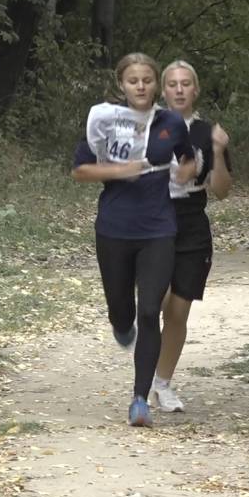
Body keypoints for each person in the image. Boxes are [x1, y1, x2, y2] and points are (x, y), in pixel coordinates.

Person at [71, 52, 197, 428]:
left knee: (149, 312)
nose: (140, 86)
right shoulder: (107, 120)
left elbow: (187, 160)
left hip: (159, 229)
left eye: (146, 80)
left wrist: (185, 172)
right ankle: (119, 323)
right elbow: (79, 170)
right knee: (123, 313)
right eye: (133, 81)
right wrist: (119, 170)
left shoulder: (171, 122)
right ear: (122, 86)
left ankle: (140, 399)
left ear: (156, 84)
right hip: (114, 228)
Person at [149, 60, 232, 412]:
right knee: (157, 301)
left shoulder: (208, 133)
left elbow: (222, 191)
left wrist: (216, 151)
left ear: (195, 90)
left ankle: (162, 384)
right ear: (162, 90)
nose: (179, 89)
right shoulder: (146, 127)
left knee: (178, 312)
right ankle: (146, 376)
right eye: (172, 84)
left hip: (192, 226)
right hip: (152, 222)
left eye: (186, 84)